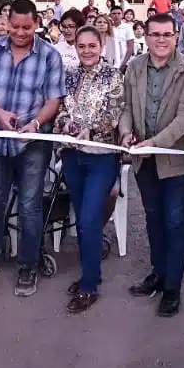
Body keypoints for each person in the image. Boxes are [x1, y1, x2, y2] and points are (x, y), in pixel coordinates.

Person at [0, 0, 65, 297]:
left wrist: (35, 124)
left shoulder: (50, 55)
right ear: (6, 22)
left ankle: (28, 265)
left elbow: (54, 100)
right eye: (15, 27)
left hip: (33, 142)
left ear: (37, 23)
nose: (20, 33)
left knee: (29, 204)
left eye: (27, 27)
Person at [120, 12, 184, 317]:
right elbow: (126, 106)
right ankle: (158, 273)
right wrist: (126, 132)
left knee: (174, 223)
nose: (161, 40)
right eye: (155, 34)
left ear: (176, 36)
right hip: (144, 161)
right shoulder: (135, 67)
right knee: (153, 220)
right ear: (146, 36)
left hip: (175, 162)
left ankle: (172, 288)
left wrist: (154, 143)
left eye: (167, 34)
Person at [53, 26, 124, 314]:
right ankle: (89, 273)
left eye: (92, 45)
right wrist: (69, 126)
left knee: (89, 219)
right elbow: (60, 111)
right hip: (73, 156)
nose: (86, 51)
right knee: (83, 217)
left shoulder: (114, 76)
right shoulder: (69, 76)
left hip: (102, 157)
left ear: (102, 45)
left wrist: (90, 131)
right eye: (81, 46)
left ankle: (89, 287)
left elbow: (114, 114)